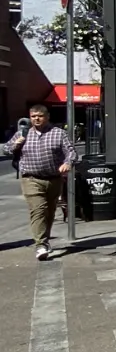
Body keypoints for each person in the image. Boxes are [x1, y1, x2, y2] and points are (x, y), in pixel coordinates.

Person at [2, 101, 74, 258]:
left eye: (40, 116)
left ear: (47, 117)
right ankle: (40, 245)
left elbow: (71, 152)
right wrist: (16, 143)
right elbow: (6, 149)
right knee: (38, 210)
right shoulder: (22, 133)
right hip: (31, 178)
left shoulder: (58, 133)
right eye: (33, 116)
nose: (36, 119)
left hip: (53, 179)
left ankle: (45, 240)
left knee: (49, 212)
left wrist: (67, 163)